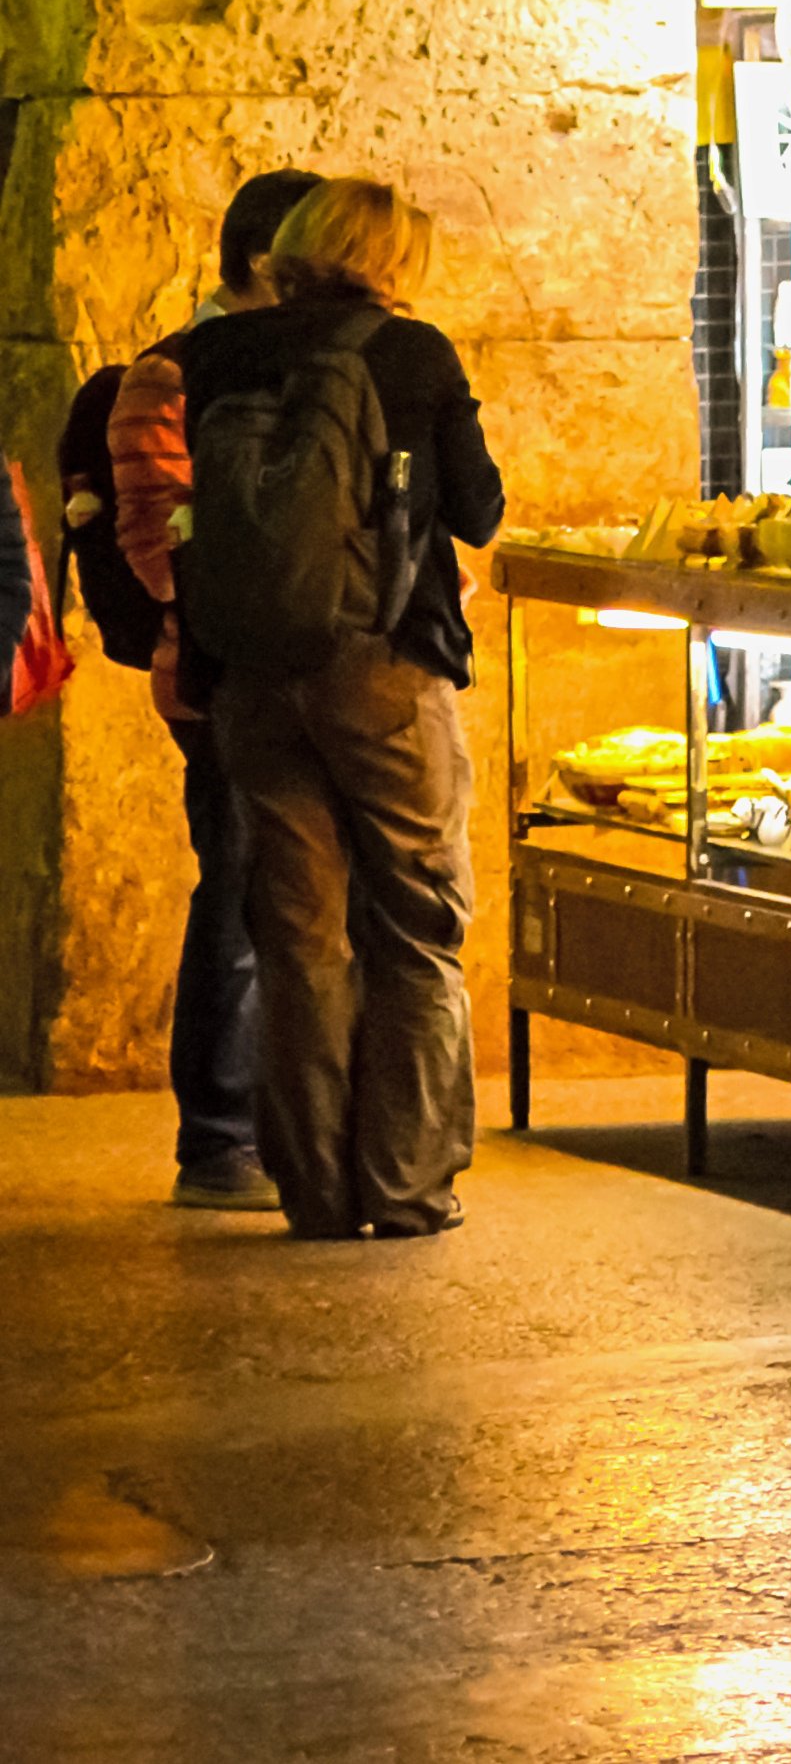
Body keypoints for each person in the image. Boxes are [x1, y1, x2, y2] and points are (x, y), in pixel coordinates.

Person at [188, 178, 510, 1240]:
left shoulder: (219, 355)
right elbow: (477, 508)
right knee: (419, 924)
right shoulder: (412, 355)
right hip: (381, 668)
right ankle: (406, 1186)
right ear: (391, 259)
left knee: (298, 933)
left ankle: (317, 1192)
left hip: (251, 678)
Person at [50, 167, 322, 1211]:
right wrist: (246, 616)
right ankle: (219, 1137)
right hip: (215, 671)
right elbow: (153, 532)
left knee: (272, 887)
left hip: (287, 663)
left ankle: (276, 1127)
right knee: (242, 881)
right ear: (265, 260)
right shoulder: (176, 373)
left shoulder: (298, 361)